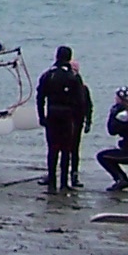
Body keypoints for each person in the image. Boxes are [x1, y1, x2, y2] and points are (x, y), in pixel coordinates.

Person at [36, 45, 92, 190]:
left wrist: (41, 116)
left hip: (52, 113)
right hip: (67, 116)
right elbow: (81, 101)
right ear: (69, 58)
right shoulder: (73, 77)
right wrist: (80, 119)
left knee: (52, 149)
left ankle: (52, 181)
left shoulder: (48, 75)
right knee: (66, 149)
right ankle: (64, 183)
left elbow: (40, 97)